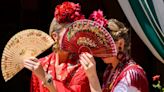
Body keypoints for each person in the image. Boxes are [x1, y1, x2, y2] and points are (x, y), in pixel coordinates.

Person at [23, 1, 91, 92]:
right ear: (55, 36)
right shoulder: (41, 65)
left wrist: (45, 77)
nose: (73, 38)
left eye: (76, 33)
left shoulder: (82, 66)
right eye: (69, 33)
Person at [78, 10, 149, 92]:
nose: (100, 51)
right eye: (97, 46)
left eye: (104, 45)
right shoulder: (109, 70)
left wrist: (92, 76)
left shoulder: (131, 73)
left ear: (120, 44)